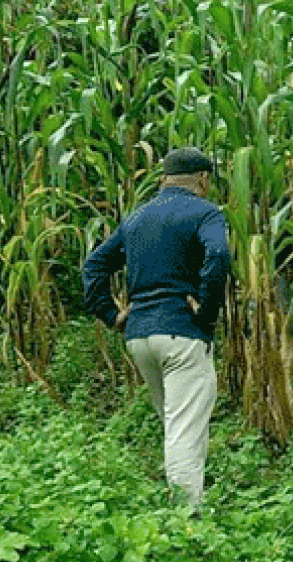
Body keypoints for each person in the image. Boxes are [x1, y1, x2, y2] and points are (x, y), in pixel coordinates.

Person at [82, 147, 232, 508]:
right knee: (184, 430)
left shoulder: (136, 218)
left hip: (140, 337)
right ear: (203, 179)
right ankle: (186, 519)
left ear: (163, 179)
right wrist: (207, 310)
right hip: (182, 334)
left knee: (175, 425)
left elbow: (94, 266)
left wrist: (111, 314)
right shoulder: (205, 212)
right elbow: (218, 256)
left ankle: (180, 505)